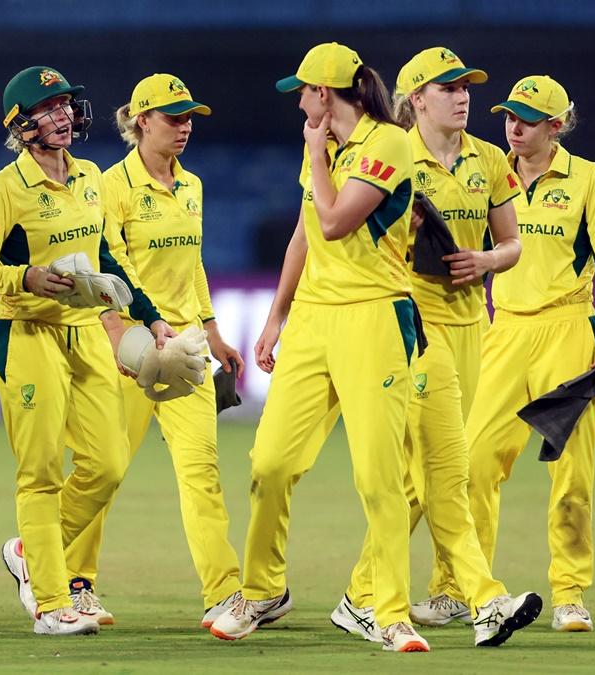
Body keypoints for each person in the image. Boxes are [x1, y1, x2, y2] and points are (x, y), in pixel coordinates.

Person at [207, 43, 428, 652]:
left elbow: (335, 221)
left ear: (324, 94)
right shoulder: (325, 149)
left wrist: (314, 154)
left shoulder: (388, 143)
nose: (298, 104)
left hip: (373, 318)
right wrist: (276, 317)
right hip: (312, 322)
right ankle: (261, 591)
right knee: (270, 463)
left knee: (378, 476)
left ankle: (389, 612)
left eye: (302, 93)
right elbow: (305, 236)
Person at [331, 47, 541, 648]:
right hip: (417, 326)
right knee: (444, 470)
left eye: (465, 86)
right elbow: (356, 239)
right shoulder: (394, 154)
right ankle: (483, 598)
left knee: (421, 477)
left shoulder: (490, 159)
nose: (463, 95)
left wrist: (487, 261)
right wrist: (404, 231)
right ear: (417, 99)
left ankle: (360, 596)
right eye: (448, 87)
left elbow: (512, 244)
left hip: (473, 325)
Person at [0, 65, 173, 636]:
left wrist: (151, 317)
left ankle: (29, 553)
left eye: (65, 104)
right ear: (22, 124)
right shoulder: (2, 189)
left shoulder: (89, 177)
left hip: (84, 332)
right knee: (40, 471)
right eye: (48, 108)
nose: (63, 115)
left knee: (108, 464)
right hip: (27, 332)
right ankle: (52, 601)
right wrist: (26, 278)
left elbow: (108, 257)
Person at [435, 75, 595, 633]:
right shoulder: (490, 172)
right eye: (509, 117)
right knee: (473, 465)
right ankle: (461, 591)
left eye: (527, 120)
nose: (514, 128)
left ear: (556, 126)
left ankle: (569, 594)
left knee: (571, 476)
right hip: (502, 331)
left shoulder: (588, 178)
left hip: (568, 332)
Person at [61, 73, 246, 630]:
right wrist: (119, 333)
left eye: (189, 117)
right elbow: (107, 265)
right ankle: (73, 581)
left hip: (185, 346)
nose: (185, 127)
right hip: (132, 345)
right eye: (173, 117)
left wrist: (212, 330)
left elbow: (193, 263)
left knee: (202, 472)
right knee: (106, 470)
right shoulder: (111, 186)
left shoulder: (192, 184)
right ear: (142, 121)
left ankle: (223, 593)